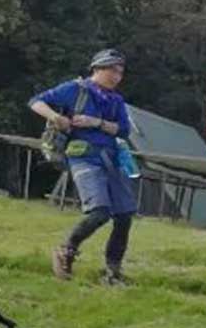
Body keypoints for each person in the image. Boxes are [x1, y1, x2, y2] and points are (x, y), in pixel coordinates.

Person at [30, 49, 137, 285]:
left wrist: (96, 122)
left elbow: (124, 130)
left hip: (111, 158)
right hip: (83, 157)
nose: (117, 76)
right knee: (100, 212)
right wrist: (56, 117)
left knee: (125, 214)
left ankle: (113, 272)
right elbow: (36, 102)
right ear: (97, 68)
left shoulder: (116, 100)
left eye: (120, 72)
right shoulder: (74, 89)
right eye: (112, 70)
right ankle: (66, 251)